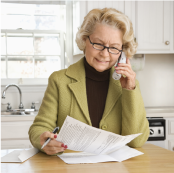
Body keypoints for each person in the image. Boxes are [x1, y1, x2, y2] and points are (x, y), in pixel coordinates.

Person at [29, 8, 149, 155]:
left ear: (122, 52)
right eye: (98, 44)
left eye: (114, 48)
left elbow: (137, 141)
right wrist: (43, 139)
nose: (105, 54)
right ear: (85, 40)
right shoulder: (59, 80)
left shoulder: (129, 84)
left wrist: (129, 90)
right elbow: (39, 127)